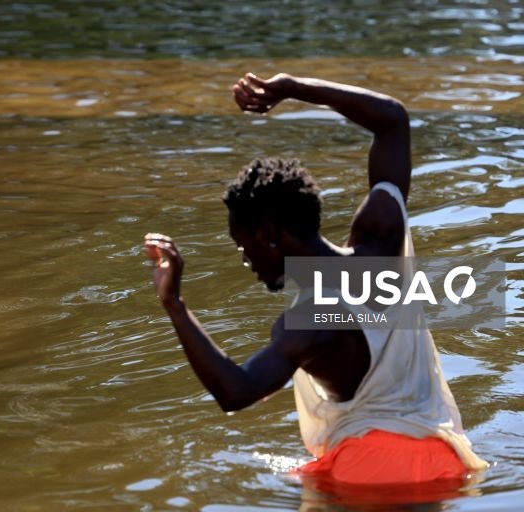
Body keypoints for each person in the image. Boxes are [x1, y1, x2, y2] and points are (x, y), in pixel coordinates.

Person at [144, 73, 487, 488]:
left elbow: (235, 392)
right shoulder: (382, 239)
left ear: (269, 235)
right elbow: (393, 120)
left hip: (370, 475)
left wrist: (174, 305)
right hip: (445, 460)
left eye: (243, 244)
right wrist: (292, 88)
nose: (244, 258)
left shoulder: (306, 324)